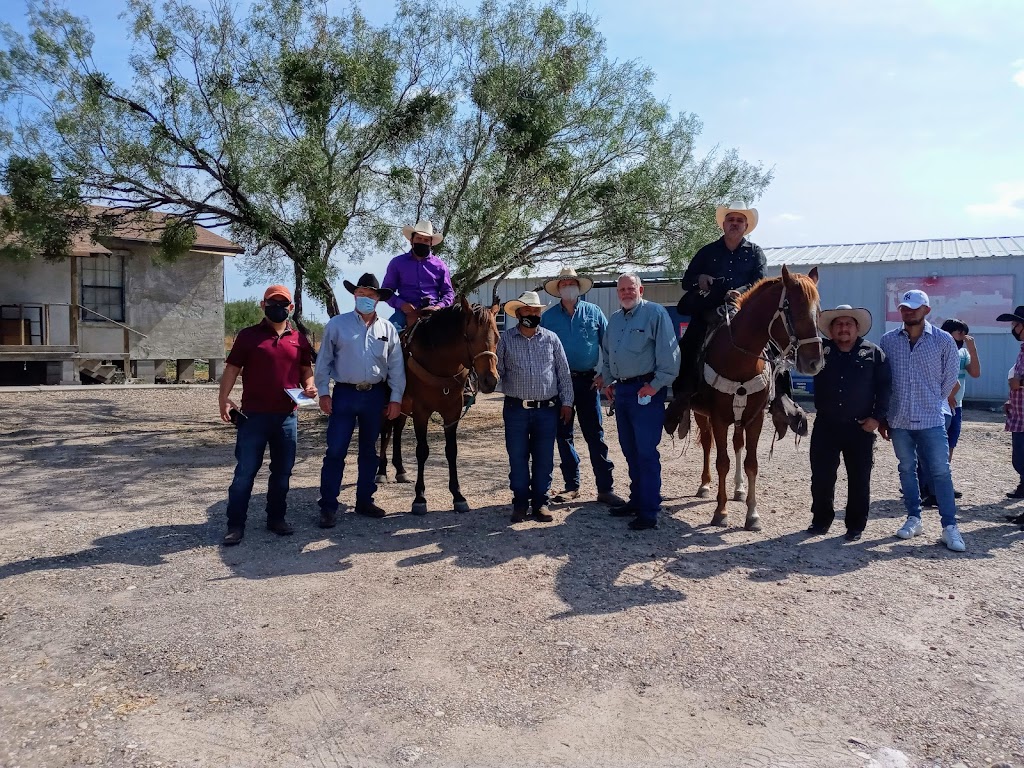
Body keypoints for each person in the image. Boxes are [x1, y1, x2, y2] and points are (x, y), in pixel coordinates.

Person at [665, 201, 804, 439]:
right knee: (689, 344)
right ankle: (683, 397)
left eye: (740, 220)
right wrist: (701, 278)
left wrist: (741, 293)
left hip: (745, 311)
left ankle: (782, 398)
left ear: (746, 226)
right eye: (731, 220)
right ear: (724, 224)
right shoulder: (707, 251)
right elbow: (686, 281)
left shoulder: (755, 252)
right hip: (711, 309)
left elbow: (760, 283)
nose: (735, 224)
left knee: (772, 346)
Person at [218, 285, 316, 546]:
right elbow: (231, 370)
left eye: (283, 303)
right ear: (262, 305)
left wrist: (310, 385)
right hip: (253, 417)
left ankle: (276, 518)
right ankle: (235, 525)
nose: (278, 307)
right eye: (272, 302)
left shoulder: (300, 339)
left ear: (290, 308)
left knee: (282, 472)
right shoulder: (248, 336)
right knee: (245, 473)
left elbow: (306, 369)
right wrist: (223, 398)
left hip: (287, 417)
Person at [879, 289, 966, 552]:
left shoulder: (943, 341)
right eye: (905, 308)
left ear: (926, 310)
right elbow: (884, 381)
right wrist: (885, 415)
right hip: (899, 419)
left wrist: (930, 402)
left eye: (914, 308)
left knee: (940, 471)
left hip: (931, 418)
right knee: (906, 468)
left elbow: (949, 380)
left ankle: (950, 526)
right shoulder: (888, 341)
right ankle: (914, 518)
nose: (908, 312)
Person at [315, 273, 405, 526]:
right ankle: (328, 506)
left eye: (370, 295)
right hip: (344, 394)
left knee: (369, 450)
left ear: (378, 299)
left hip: (374, 396)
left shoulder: (388, 329)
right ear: (354, 295)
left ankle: (365, 500)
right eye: (360, 294)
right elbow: (324, 361)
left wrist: (396, 398)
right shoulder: (337, 325)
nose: (365, 298)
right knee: (335, 450)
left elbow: (396, 367)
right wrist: (323, 392)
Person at [595, 274, 681, 531]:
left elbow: (670, 355)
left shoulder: (655, 314)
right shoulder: (615, 319)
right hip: (622, 392)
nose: (626, 293)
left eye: (630, 288)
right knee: (630, 449)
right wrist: (609, 382)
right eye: (621, 289)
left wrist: (654, 386)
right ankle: (636, 500)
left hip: (646, 392)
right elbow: (609, 355)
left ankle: (649, 510)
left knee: (645, 452)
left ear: (640, 289)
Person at [539, 267, 626, 508]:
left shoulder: (594, 312)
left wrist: (606, 375)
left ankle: (605, 488)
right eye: (563, 283)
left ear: (578, 286)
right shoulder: (548, 318)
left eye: (571, 282)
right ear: (558, 289)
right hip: (558, 384)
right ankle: (571, 486)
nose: (567, 286)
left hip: (588, 382)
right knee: (563, 435)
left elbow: (609, 346)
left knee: (595, 434)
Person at [806, 305, 891, 542]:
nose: (843, 328)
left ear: (857, 328)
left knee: (859, 478)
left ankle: (855, 526)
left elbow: (885, 388)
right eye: (838, 324)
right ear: (831, 330)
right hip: (826, 426)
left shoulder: (873, 353)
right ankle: (820, 521)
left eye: (848, 324)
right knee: (821, 477)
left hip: (860, 428)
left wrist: (877, 417)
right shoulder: (820, 351)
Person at [497, 291, 574, 523]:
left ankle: (541, 503)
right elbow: (496, 372)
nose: (532, 313)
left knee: (544, 458)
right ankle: (520, 503)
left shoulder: (552, 339)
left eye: (536, 310)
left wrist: (567, 402)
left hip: (546, 410)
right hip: (516, 410)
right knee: (517, 458)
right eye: (527, 310)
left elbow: (564, 373)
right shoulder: (506, 340)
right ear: (518, 313)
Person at [918, 318, 980, 506]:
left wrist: (972, 349)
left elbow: (975, 373)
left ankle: (940, 484)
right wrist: (950, 392)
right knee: (930, 446)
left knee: (949, 446)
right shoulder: (938, 348)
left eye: (964, 332)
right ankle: (924, 485)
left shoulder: (963, 352)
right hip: (940, 405)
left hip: (957, 405)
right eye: (959, 332)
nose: (963, 336)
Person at [381, 219, 455, 330]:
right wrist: (401, 304)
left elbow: (448, 293)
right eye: (419, 238)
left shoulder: (440, 266)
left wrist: (438, 307)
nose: (422, 242)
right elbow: (386, 291)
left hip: (433, 312)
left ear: (430, 243)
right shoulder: (397, 263)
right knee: (384, 336)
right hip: (404, 313)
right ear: (411, 240)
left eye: (426, 240)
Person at [995, 305, 1024, 512]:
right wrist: (1011, 399)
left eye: (1015, 324)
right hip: (1020, 412)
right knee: (1020, 457)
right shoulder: (1022, 350)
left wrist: (1020, 382)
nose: (1013, 328)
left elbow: (1018, 379)